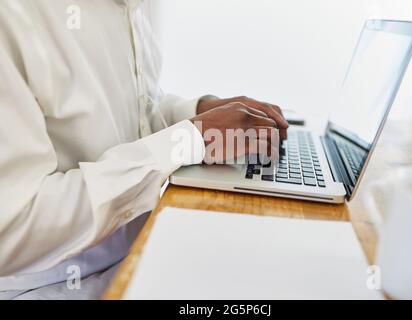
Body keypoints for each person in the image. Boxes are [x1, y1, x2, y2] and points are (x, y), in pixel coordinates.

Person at [0, 0, 288, 299]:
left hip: (139, 248)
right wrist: (190, 139)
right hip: (49, 285)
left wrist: (197, 112)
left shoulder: (132, 6)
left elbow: (135, 110)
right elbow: (15, 225)